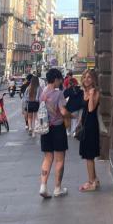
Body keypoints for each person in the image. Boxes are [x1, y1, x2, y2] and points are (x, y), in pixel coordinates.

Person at [38, 67, 69, 198]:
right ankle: (57, 188)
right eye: (60, 80)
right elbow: (62, 111)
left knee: (47, 157)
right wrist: (72, 116)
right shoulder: (58, 93)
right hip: (57, 128)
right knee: (59, 159)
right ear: (55, 79)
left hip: (45, 128)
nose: (61, 82)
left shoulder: (43, 93)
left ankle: (43, 186)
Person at [79, 69, 101, 192]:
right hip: (85, 126)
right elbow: (83, 111)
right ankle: (95, 179)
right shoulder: (84, 92)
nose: (86, 79)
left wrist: (91, 95)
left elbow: (91, 109)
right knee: (88, 155)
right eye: (84, 77)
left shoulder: (95, 93)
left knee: (89, 156)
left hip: (92, 126)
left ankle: (91, 182)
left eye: (89, 77)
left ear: (93, 79)